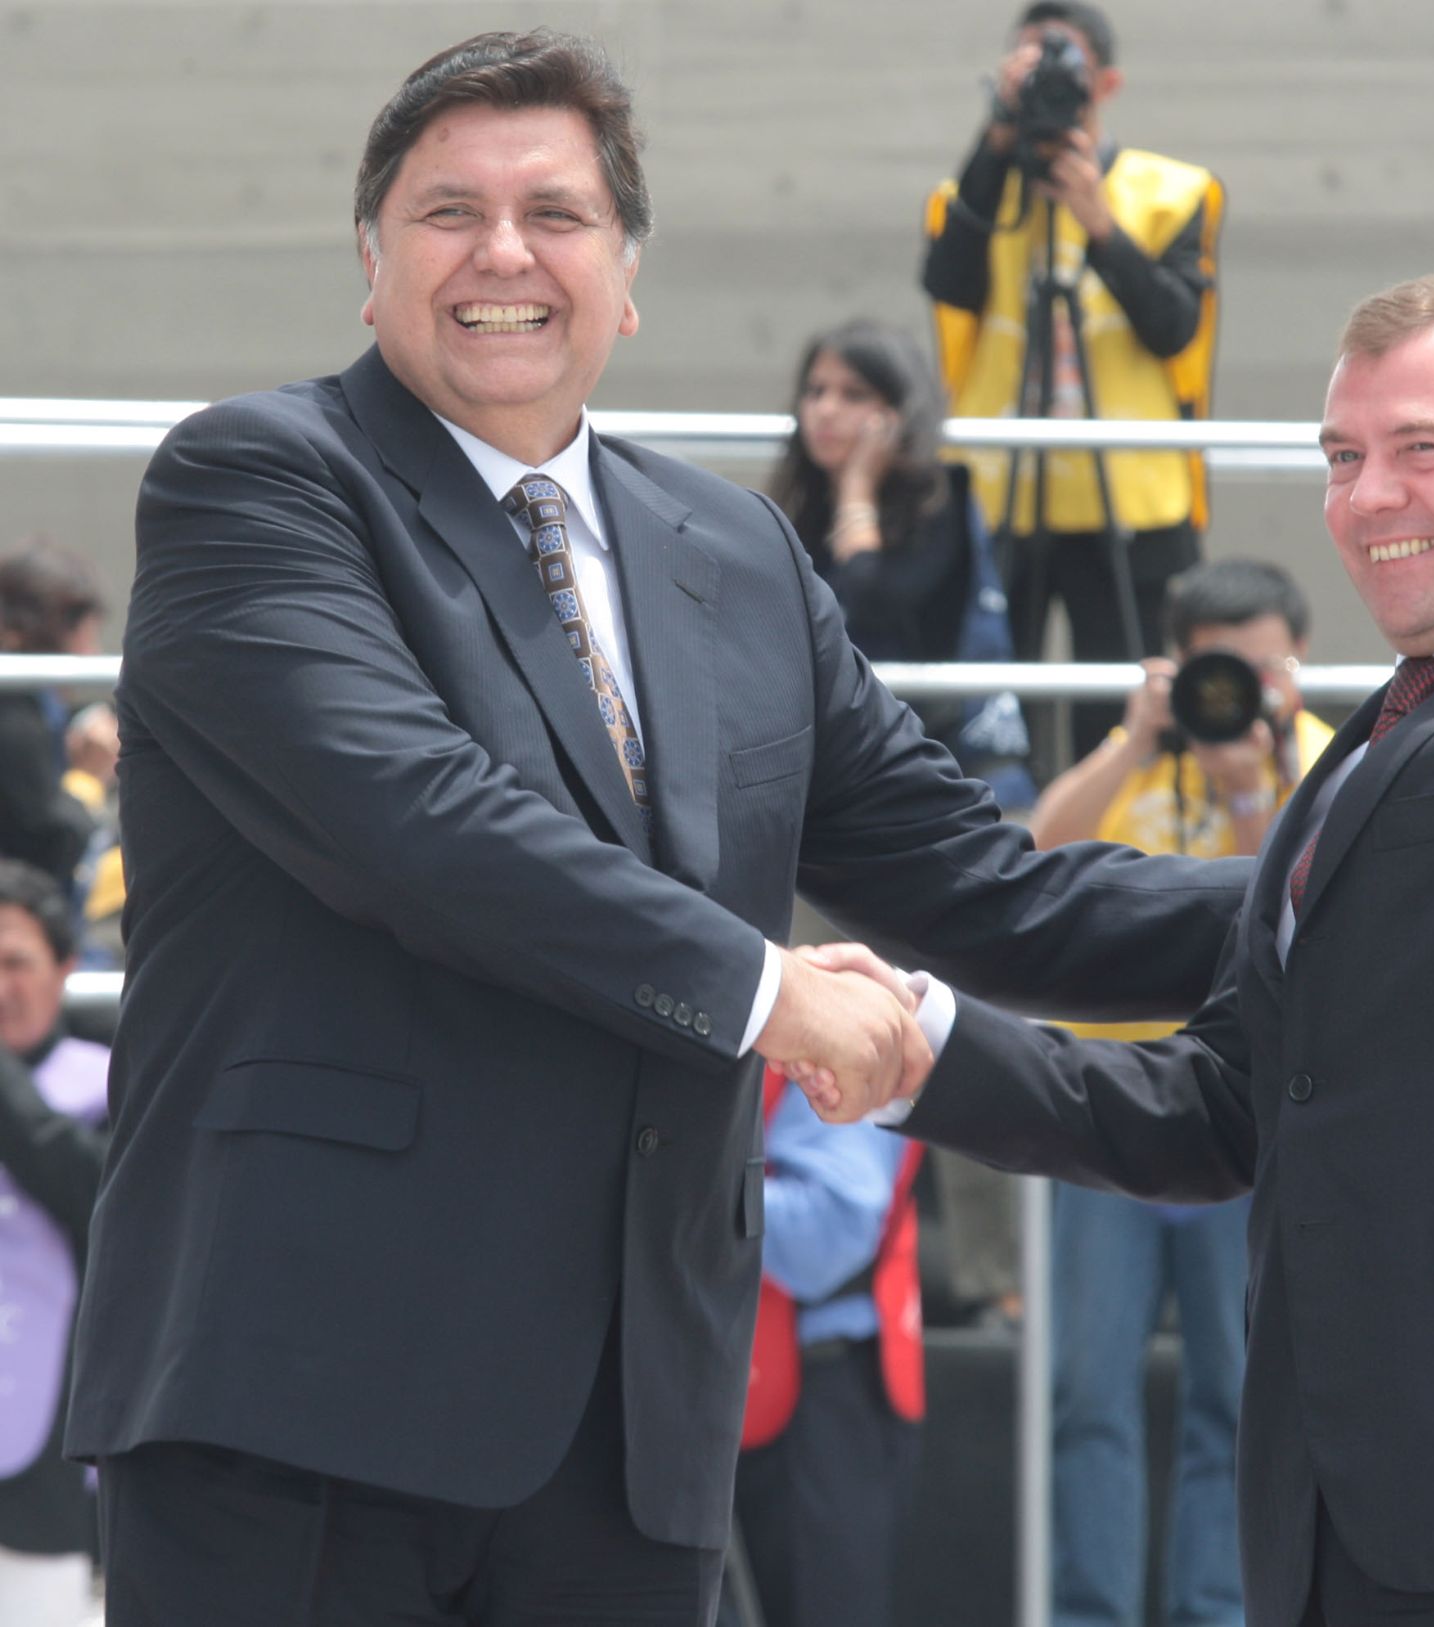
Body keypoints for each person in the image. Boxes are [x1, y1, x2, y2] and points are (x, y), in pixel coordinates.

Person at [68, 30, 1251, 1626]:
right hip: (303, 1409)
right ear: (371, 265)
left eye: (555, 214)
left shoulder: (738, 553)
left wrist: (1355, 882)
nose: (503, 252)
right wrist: (777, 993)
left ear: (627, 277)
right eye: (447, 213)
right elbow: (425, 824)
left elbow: (985, 884)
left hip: (635, 1431)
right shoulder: (261, 485)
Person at [810, 130, 1434, 1626]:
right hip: (1324, 1517)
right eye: (1339, 456)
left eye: (1424, 447)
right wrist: (929, 1048)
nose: (1366, 493)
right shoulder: (1373, 748)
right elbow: (1221, 1105)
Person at [1032, 558, 1330, 1627]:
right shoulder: (1136, 757)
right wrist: (1130, 735)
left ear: (1291, 661)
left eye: (1253, 665)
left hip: (1245, 1124)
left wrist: (1253, 779)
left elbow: (1299, 920)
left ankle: (1216, 1613)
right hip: (1106, 1111)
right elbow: (1030, 859)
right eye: (1214, 666)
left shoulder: (1327, 758)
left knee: (1235, 1400)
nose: (1230, 689)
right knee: (1086, 1398)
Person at [922, 0, 1224, 757]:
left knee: (1128, 717)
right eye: (1028, 69)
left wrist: (1099, 223)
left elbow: (1173, 325)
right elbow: (948, 282)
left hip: (1134, 501)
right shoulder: (973, 195)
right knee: (988, 717)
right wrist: (995, 144)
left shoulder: (1173, 191)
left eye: (1063, 69)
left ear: (1108, 82)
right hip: (1000, 500)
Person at [767, 318, 1032, 802]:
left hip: (938, 758)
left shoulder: (942, 497)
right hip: (824, 752)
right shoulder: (799, 502)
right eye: (816, 390)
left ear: (897, 412)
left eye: (853, 395)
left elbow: (869, 599)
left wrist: (857, 489)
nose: (825, 410)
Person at [723, 1067, 922, 1627]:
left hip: (822, 1398)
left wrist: (677, 1186)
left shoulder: (834, 1030)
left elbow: (829, 1232)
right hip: (729, 1390)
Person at [0, 860, 109, 1627]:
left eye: (14, 962)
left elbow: (90, 1193)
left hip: (44, 1462)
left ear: (66, 968)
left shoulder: (108, 1085)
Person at [0, 544, 104, 891]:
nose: (93, 653)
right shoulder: (14, 711)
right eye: (88, 634)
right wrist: (88, 779)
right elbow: (49, 839)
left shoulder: (37, 709)